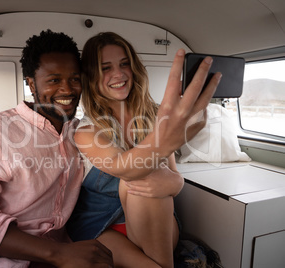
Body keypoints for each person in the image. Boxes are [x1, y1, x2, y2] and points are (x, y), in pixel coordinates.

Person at [0, 29, 114, 268]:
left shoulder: (82, 133)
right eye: (54, 80)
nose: (67, 89)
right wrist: (58, 254)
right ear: (32, 84)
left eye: (75, 79)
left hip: (60, 249)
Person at [66, 32, 221, 268]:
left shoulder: (155, 116)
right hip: (102, 226)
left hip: (155, 220)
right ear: (91, 76)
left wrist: (175, 184)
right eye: (105, 68)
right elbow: (123, 167)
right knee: (139, 171)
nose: (118, 74)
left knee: (150, 174)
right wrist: (168, 138)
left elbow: (174, 176)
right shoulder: (86, 130)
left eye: (124, 64)